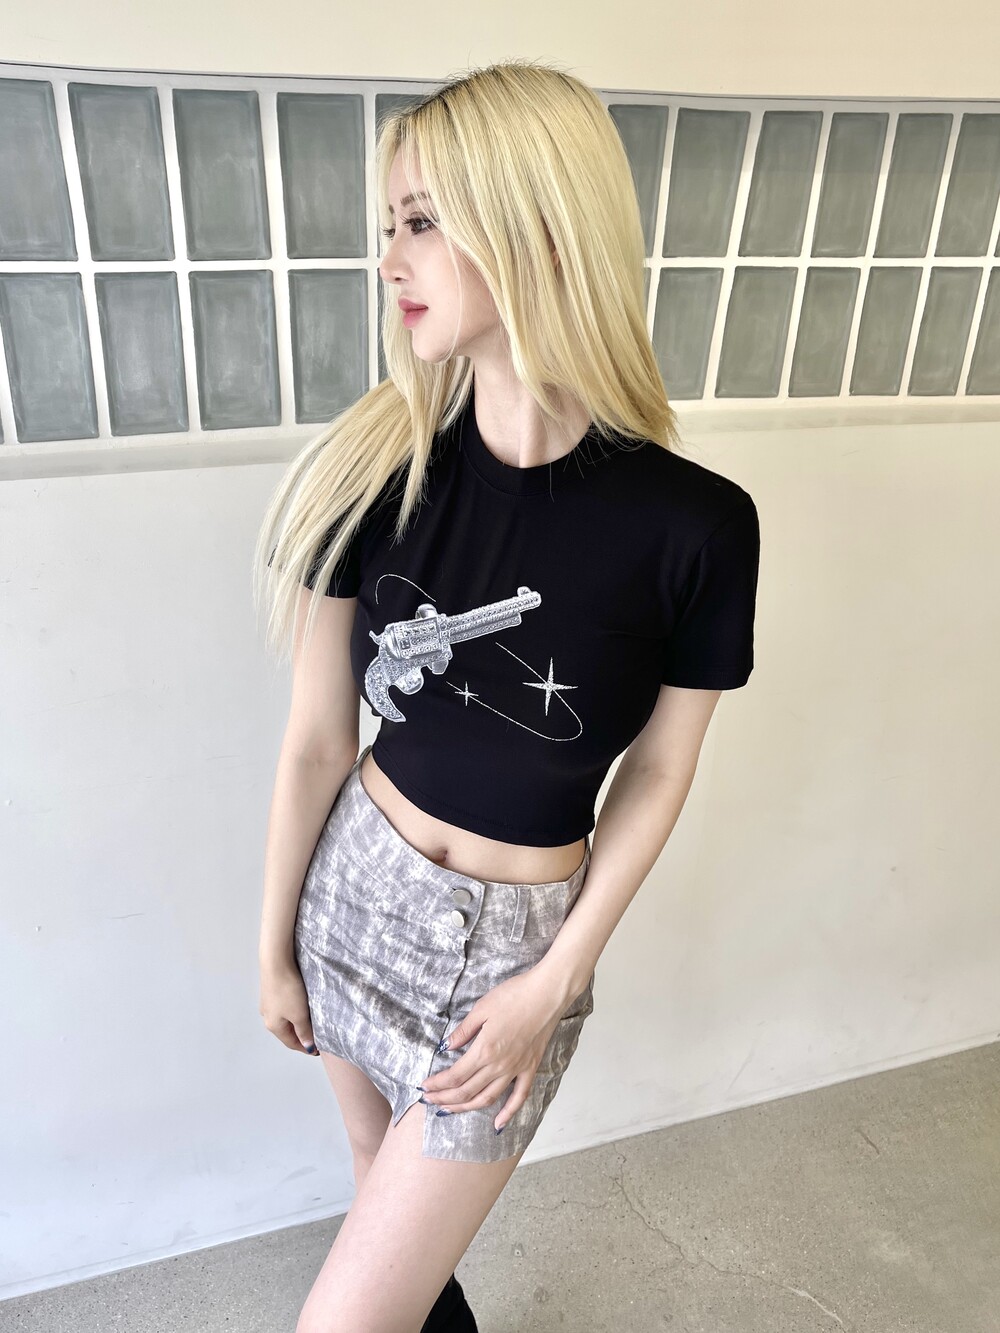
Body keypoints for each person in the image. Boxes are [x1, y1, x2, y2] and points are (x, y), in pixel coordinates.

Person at [254, 58, 760, 1333]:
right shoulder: (372, 470)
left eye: (422, 221)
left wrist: (556, 979)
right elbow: (316, 741)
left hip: (512, 956)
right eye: (392, 224)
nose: (389, 261)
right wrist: (271, 940)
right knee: (382, 1219)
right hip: (352, 888)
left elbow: (657, 769)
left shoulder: (697, 526)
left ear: (533, 223)